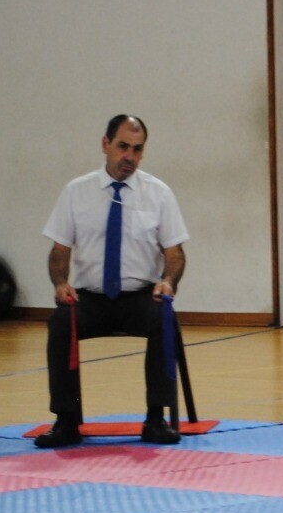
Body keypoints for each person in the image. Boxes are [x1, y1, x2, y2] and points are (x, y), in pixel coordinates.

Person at [34, 115, 188, 449]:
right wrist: (60, 283)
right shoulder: (76, 192)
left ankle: (156, 417)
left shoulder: (159, 193)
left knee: (164, 318)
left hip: (140, 296)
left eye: (137, 149)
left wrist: (168, 281)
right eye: (123, 147)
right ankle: (66, 420)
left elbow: (175, 253)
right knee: (60, 322)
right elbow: (60, 250)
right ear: (105, 144)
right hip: (90, 297)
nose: (129, 156)